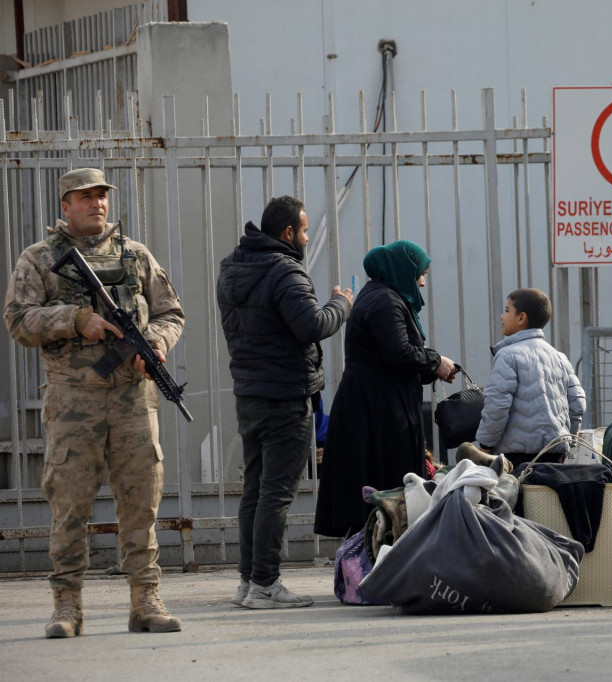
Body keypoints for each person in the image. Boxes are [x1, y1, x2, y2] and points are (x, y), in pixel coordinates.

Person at [3, 168, 185, 637]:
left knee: (141, 503)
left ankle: (145, 600)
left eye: (102, 196)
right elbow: (19, 321)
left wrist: (159, 345)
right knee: (70, 506)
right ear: (65, 205)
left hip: (132, 399)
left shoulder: (135, 255)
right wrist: (74, 318)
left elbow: (170, 312)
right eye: (85, 197)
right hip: (72, 400)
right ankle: (67, 606)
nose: (96, 204)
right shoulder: (40, 259)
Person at [217, 195, 352, 609]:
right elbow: (311, 325)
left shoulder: (233, 266)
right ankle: (265, 584)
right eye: (305, 230)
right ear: (289, 232)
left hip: (249, 393)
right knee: (275, 493)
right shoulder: (285, 271)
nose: (308, 238)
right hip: (285, 396)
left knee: (255, 491)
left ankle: (248, 581)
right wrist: (341, 304)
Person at [314, 240, 456, 538]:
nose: (422, 281)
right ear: (402, 268)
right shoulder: (385, 302)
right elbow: (399, 353)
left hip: (377, 406)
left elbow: (390, 359)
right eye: (420, 272)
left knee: (380, 492)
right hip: (377, 414)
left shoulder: (381, 297)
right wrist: (435, 361)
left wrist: (431, 367)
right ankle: (378, 565)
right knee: (386, 492)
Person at [474, 288, 586, 468]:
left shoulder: (508, 356)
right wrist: (568, 445)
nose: (502, 317)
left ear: (521, 318)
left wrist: (485, 446)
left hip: (514, 457)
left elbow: (497, 406)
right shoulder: (559, 357)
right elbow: (577, 405)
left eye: (507, 310)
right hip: (555, 453)